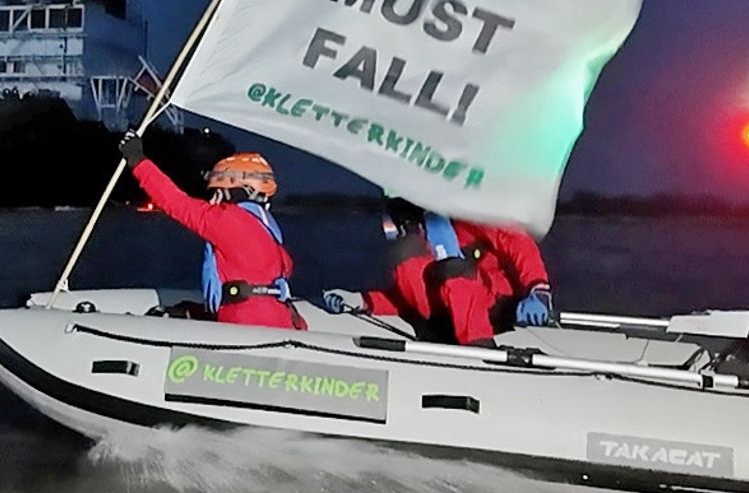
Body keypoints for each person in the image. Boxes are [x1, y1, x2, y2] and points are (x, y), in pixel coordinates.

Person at [118, 132, 303, 330]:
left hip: (244, 325)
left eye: (218, 191)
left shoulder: (227, 220)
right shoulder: (269, 232)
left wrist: (137, 160)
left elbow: (175, 202)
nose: (214, 198)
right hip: (279, 321)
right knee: (187, 310)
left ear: (232, 190)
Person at [322, 198, 494, 345]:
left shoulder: (447, 262)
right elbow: (405, 299)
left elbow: (468, 286)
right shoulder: (408, 266)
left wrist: (480, 345)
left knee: (449, 270)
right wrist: (362, 300)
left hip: (484, 320)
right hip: (439, 327)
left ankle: (481, 349)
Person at [451, 217, 556, 329]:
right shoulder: (439, 234)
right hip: (461, 329)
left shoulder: (475, 219)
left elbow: (515, 241)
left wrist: (538, 289)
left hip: (513, 318)